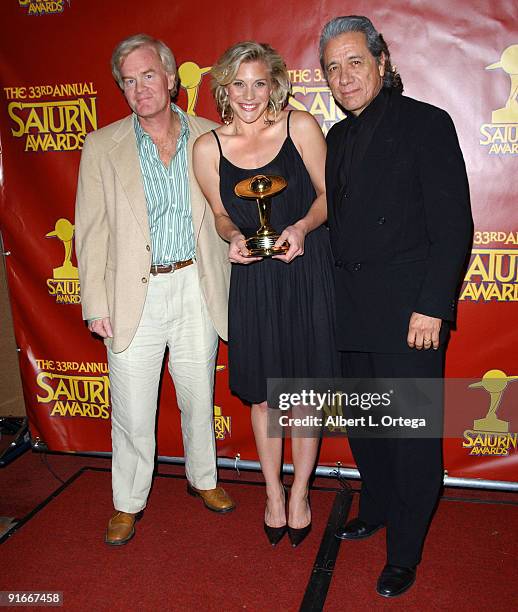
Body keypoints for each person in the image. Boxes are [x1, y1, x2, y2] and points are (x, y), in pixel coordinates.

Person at [320, 16, 472, 597]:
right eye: (333, 67)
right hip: (351, 311)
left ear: (383, 62)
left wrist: (433, 305)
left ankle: (405, 551)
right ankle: (378, 506)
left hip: (410, 314)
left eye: (355, 62)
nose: (344, 76)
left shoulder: (426, 124)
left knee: (410, 437)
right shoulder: (336, 138)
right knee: (365, 425)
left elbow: (454, 223)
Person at [75, 33, 235, 546]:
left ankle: (204, 480)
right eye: (128, 80)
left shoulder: (212, 136)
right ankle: (127, 502)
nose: (140, 88)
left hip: (196, 284)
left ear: (170, 77)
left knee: (197, 394)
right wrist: (96, 304)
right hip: (132, 297)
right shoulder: (102, 145)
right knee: (132, 408)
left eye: (149, 75)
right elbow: (90, 230)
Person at [193, 41, 339, 548]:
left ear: (274, 84)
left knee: (302, 396)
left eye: (259, 83)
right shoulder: (207, 147)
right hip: (254, 279)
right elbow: (219, 213)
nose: (250, 94)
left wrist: (300, 227)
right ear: (224, 89)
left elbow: (328, 198)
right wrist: (232, 236)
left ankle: (300, 492)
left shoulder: (300, 127)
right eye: (239, 84)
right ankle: (272, 493)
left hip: (303, 271)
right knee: (262, 397)